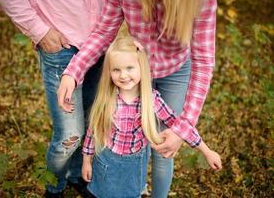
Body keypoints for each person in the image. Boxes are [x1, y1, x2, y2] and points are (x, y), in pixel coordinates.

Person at [57, 0, 218, 197]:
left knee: (164, 149)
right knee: (140, 136)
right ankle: (135, 188)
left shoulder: (200, 1)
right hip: (137, 70)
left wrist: (183, 130)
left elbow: (203, 60)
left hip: (176, 71)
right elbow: (104, 32)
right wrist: (73, 71)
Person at [80, 36, 221, 198]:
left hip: (134, 166)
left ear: (142, 67)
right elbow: (93, 131)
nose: (123, 75)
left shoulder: (151, 99)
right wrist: (86, 160)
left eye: (129, 68)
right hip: (106, 161)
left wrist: (206, 151)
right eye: (116, 70)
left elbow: (179, 126)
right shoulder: (107, 99)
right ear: (109, 72)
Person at [0, 0, 103, 197]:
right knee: (70, 135)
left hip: (100, 41)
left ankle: (76, 175)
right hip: (63, 43)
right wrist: (39, 31)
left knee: (91, 120)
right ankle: (54, 188)